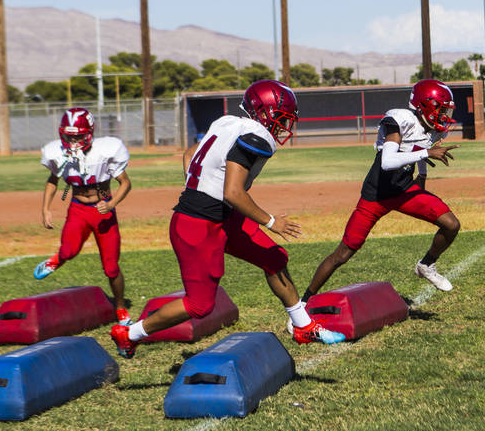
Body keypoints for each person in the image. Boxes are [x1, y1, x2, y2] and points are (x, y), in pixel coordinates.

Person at [111, 79, 344, 358]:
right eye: (281, 118)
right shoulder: (255, 135)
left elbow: (190, 154)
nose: (285, 126)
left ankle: (303, 326)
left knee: (273, 258)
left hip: (221, 215)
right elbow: (233, 193)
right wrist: (272, 222)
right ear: (263, 112)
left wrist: (196, 183)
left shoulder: (226, 123)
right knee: (200, 306)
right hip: (199, 224)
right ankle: (130, 333)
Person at [299, 79, 462, 308]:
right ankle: (302, 303)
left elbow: (424, 148)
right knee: (343, 254)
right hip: (375, 196)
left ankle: (427, 264)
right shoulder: (400, 120)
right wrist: (425, 154)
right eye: (442, 109)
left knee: (451, 224)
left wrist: (422, 177)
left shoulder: (430, 128)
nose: (445, 115)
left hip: (404, 190)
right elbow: (388, 162)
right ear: (426, 105)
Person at [34, 107, 134, 329]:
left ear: (89, 132)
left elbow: (125, 183)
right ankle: (57, 259)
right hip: (78, 209)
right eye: (69, 136)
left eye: (78, 136)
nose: (74, 141)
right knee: (69, 251)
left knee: (111, 268)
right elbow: (53, 180)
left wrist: (111, 204)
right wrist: (45, 208)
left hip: (103, 212)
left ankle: (120, 306)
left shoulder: (107, 149)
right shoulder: (57, 152)